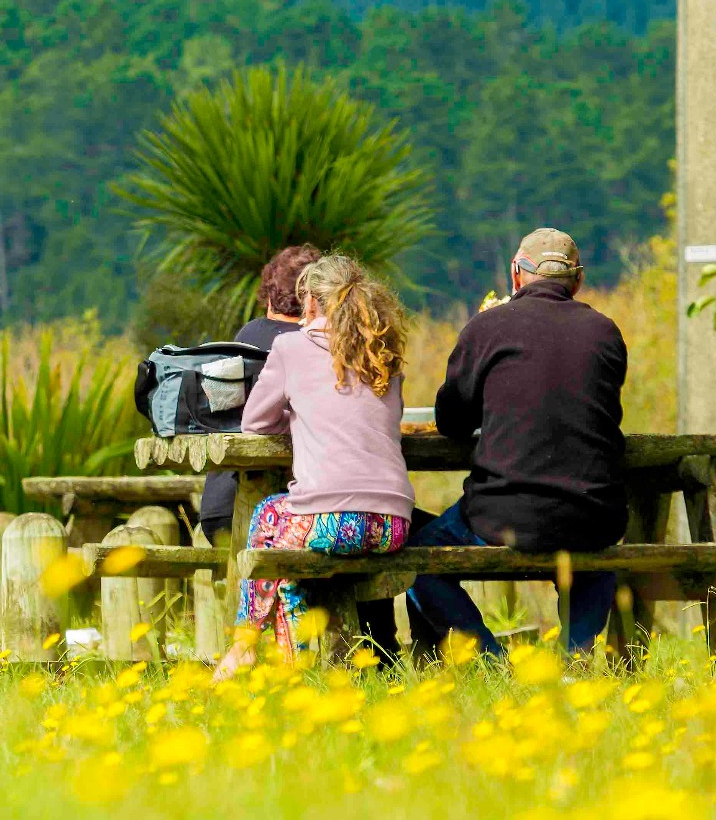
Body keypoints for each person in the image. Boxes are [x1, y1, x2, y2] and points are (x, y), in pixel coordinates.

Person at [405, 228, 628, 654]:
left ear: (516, 274)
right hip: (594, 512)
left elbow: (451, 421)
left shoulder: (487, 327)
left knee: (417, 561)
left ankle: (491, 661)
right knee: (597, 559)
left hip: (503, 513)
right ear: (577, 281)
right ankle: (573, 658)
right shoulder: (605, 332)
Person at [216, 256, 414, 670]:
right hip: (392, 525)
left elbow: (254, 423)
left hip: (331, 520)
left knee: (268, 521)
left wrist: (297, 411)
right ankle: (269, 658)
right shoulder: (385, 351)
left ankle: (260, 653)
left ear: (309, 304)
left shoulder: (291, 346)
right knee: (283, 553)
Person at [196, 243, 319, 544]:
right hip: (269, 510)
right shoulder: (314, 345)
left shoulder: (248, 336)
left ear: (269, 295)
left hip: (219, 506)